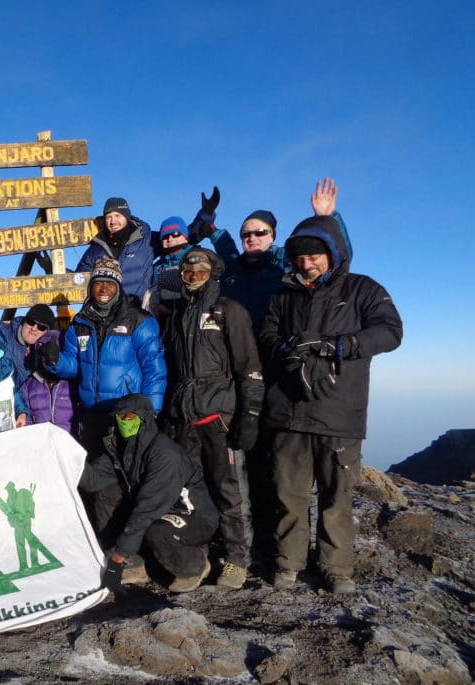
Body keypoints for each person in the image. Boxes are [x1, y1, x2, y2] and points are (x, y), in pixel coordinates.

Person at [259, 214, 402, 593]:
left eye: (315, 255)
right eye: (301, 257)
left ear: (333, 253)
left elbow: (390, 331)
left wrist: (341, 346)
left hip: (339, 414)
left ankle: (336, 569)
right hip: (289, 412)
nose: (308, 263)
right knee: (288, 495)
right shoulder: (283, 293)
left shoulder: (362, 289)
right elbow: (267, 334)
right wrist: (286, 348)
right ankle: (288, 563)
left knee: (336, 497)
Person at [159, 247, 264, 589]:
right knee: (189, 492)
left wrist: (248, 415)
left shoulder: (229, 311)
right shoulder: (176, 314)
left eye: (201, 272)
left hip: (219, 414)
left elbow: (249, 368)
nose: (194, 278)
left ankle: (236, 559)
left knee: (229, 490)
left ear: (213, 274)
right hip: (183, 417)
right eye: (188, 274)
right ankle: (195, 560)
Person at [82, 395, 219, 594]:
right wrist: (68, 456)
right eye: (119, 416)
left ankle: (194, 565)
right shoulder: (118, 446)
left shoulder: (164, 453)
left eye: (129, 416)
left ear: (144, 418)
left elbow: (148, 507)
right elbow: (93, 481)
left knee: (156, 530)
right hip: (156, 511)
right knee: (107, 492)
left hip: (192, 514)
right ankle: (133, 564)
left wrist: (117, 560)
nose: (123, 421)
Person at [41, 257, 167, 446]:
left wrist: (150, 411)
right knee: (97, 473)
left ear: (118, 287)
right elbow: (76, 365)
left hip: (127, 414)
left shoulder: (139, 321)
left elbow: (154, 370)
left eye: (110, 283)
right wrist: (55, 361)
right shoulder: (80, 323)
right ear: (90, 287)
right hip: (91, 415)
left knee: (128, 471)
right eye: (98, 283)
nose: (103, 289)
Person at [210, 179, 352, 336]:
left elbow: (337, 257)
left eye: (260, 232)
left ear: (272, 237)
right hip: (235, 349)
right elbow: (226, 248)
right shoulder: (232, 268)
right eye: (246, 234)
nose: (252, 238)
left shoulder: (287, 260)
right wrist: (212, 229)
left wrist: (326, 219)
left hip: (274, 347)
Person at [74, 197, 153, 305]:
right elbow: (78, 279)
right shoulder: (96, 248)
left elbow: (172, 242)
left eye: (117, 216)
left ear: (126, 217)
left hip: (137, 310)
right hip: (107, 312)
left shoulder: (144, 238)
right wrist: (52, 268)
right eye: (108, 217)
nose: (113, 221)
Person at [22, 331, 80, 438]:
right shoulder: (29, 386)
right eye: (43, 354)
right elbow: (27, 419)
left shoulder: (74, 383)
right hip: (41, 445)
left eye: (53, 355)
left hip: (70, 444)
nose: (47, 360)